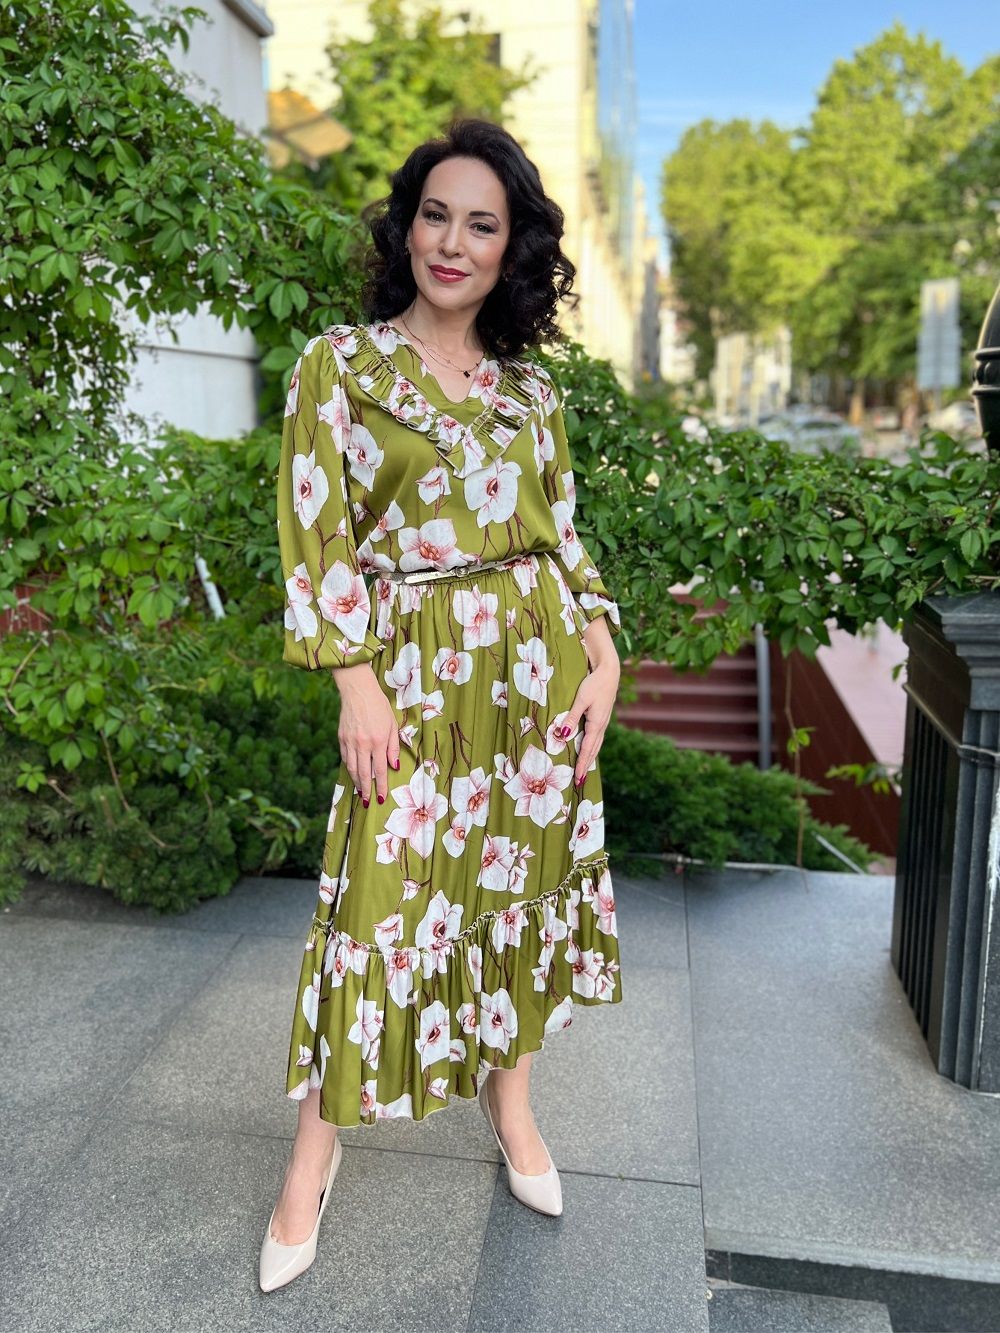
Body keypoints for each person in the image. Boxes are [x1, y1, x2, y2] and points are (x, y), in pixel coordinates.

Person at [260, 117, 624, 1292]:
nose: (452, 243)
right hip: (408, 679)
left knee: (514, 887)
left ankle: (511, 1111)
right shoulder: (339, 368)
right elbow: (315, 532)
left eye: (481, 224)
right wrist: (354, 682)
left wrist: (602, 653)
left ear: (511, 248)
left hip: (534, 683)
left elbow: (560, 538)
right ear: (406, 226)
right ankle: (311, 1161)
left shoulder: (531, 394)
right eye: (435, 215)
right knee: (376, 905)